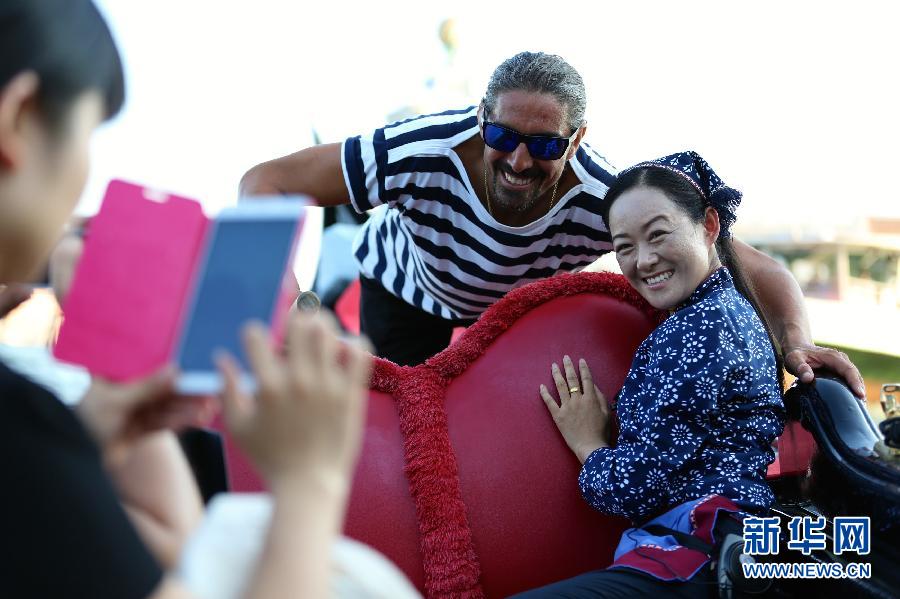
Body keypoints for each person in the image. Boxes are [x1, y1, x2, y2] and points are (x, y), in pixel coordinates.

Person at [0, 2, 372, 598]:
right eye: (90, 133)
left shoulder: (28, 428)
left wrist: (90, 429)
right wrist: (311, 483)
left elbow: (167, 549)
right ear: (18, 117)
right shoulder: (18, 419)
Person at [239, 52, 865, 396]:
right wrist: (287, 302)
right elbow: (265, 182)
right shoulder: (419, 150)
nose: (517, 161)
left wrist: (795, 344)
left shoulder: (605, 194)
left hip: (508, 315)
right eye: (502, 136)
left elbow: (756, 268)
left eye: (543, 146)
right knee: (398, 411)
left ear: (577, 140)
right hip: (407, 291)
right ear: (480, 119)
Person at [518, 151, 786, 597]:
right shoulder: (723, 312)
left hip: (697, 551)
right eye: (624, 247)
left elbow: (633, 489)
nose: (643, 260)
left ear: (709, 225)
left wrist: (588, 442)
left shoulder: (700, 328)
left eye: (658, 234)